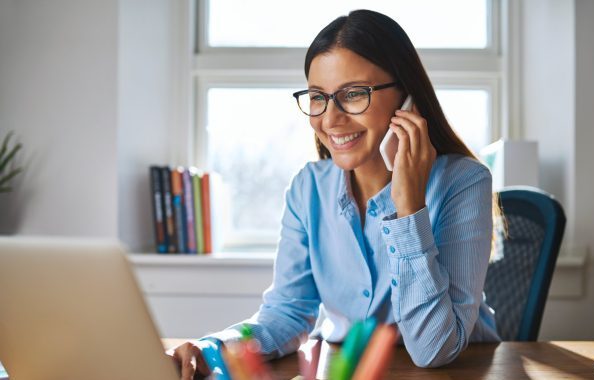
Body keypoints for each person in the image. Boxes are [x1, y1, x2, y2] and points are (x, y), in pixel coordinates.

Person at [168, 9, 500, 378]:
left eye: (354, 94)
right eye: (317, 97)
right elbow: (288, 313)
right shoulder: (308, 188)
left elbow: (433, 349)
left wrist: (409, 208)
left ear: (407, 97)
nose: (330, 119)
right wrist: (214, 346)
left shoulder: (464, 182)